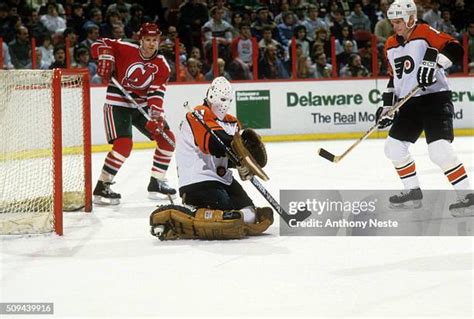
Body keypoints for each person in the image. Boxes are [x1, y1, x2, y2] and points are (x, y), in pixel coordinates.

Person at [375, 0, 473, 216]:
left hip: (435, 98)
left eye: (399, 21)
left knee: (439, 150)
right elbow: (394, 78)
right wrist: (387, 107)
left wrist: (435, 63)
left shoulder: (423, 31)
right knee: (393, 148)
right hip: (409, 103)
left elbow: (455, 48)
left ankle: (468, 197)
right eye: (393, 22)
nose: (396, 26)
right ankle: (412, 192)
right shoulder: (390, 44)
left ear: (411, 18)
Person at [150, 77, 272, 240]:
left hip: (223, 180)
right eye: (221, 99)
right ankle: (182, 213)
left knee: (248, 215)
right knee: (226, 217)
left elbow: (228, 156)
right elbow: (212, 144)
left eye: (227, 100)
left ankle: (200, 215)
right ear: (211, 96)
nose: (224, 104)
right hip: (198, 181)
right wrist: (238, 151)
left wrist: (242, 166)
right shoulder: (197, 115)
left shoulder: (232, 122)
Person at [91, 22, 176, 205]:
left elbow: (156, 93)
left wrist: (156, 116)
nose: (151, 44)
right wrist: (104, 55)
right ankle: (102, 186)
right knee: (123, 146)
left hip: (142, 104)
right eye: (147, 40)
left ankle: (157, 182)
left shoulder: (162, 66)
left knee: (167, 139)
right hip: (117, 102)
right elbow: (98, 43)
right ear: (141, 40)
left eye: (155, 40)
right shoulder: (125, 47)